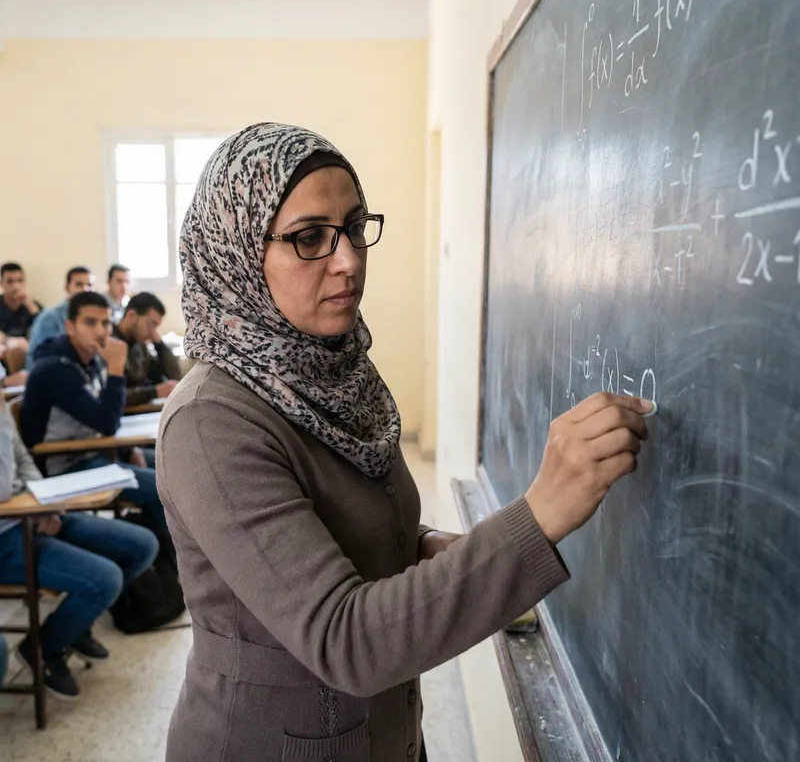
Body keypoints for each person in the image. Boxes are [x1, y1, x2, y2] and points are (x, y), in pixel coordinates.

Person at [156, 123, 651, 762]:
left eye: (356, 226)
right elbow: (345, 639)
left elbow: (338, 531)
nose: (349, 259)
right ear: (237, 254)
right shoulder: (210, 423)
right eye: (310, 238)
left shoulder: (337, 373)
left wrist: (421, 548)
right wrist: (541, 513)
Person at [0, 363, 158, 699]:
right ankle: (41, 647)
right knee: (105, 579)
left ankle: (71, 628)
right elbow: (1, 488)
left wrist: (44, 503)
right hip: (6, 536)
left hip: (31, 511)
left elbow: (23, 459)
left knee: (141, 546)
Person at [20, 291, 168, 534]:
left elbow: (108, 412)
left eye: (106, 323)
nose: (101, 331)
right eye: (90, 322)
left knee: (169, 465)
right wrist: (116, 368)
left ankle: (163, 555)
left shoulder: (88, 359)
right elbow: (107, 422)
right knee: (162, 487)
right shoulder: (55, 370)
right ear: (70, 327)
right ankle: (174, 561)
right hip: (65, 464)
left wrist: (129, 449)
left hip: (94, 450)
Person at [114, 292, 181, 408]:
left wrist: (160, 345)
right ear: (131, 316)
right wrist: (154, 392)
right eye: (151, 324)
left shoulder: (140, 345)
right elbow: (113, 395)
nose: (152, 332)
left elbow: (175, 377)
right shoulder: (110, 344)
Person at [26, 266, 95, 369]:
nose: (85, 290)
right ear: (67, 288)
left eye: (89, 285)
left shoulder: (93, 318)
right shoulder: (49, 318)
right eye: (79, 284)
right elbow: (44, 358)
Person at [0, 262, 43, 338]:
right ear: (1, 284)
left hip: (25, 347)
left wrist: (30, 305)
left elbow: (44, 329)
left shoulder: (33, 306)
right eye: (10, 282)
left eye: (20, 281)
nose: (16, 286)